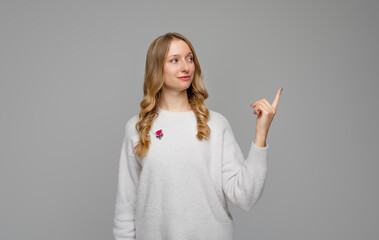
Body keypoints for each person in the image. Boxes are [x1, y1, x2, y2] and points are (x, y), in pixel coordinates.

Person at [113, 32, 282, 240]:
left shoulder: (216, 124)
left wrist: (261, 132)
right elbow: (126, 204)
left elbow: (245, 197)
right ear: (157, 68)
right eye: (174, 60)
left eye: (189, 58)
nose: (185, 67)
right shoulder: (137, 128)